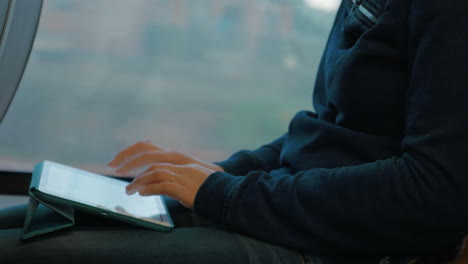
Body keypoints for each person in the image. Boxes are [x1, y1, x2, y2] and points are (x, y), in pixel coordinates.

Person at [1, 0, 468, 263]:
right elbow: (331, 129)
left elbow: (434, 192)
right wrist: (222, 172)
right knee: (26, 220)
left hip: (347, 244)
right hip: (284, 207)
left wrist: (226, 195)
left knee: (23, 253)